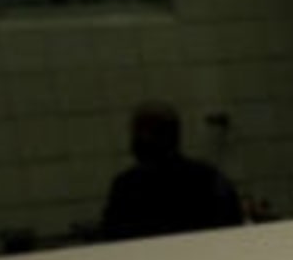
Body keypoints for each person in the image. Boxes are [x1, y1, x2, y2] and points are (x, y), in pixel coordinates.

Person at [100, 101, 244, 241]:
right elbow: (233, 229)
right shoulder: (208, 178)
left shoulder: (126, 187)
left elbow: (112, 237)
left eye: (139, 133)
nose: (134, 141)